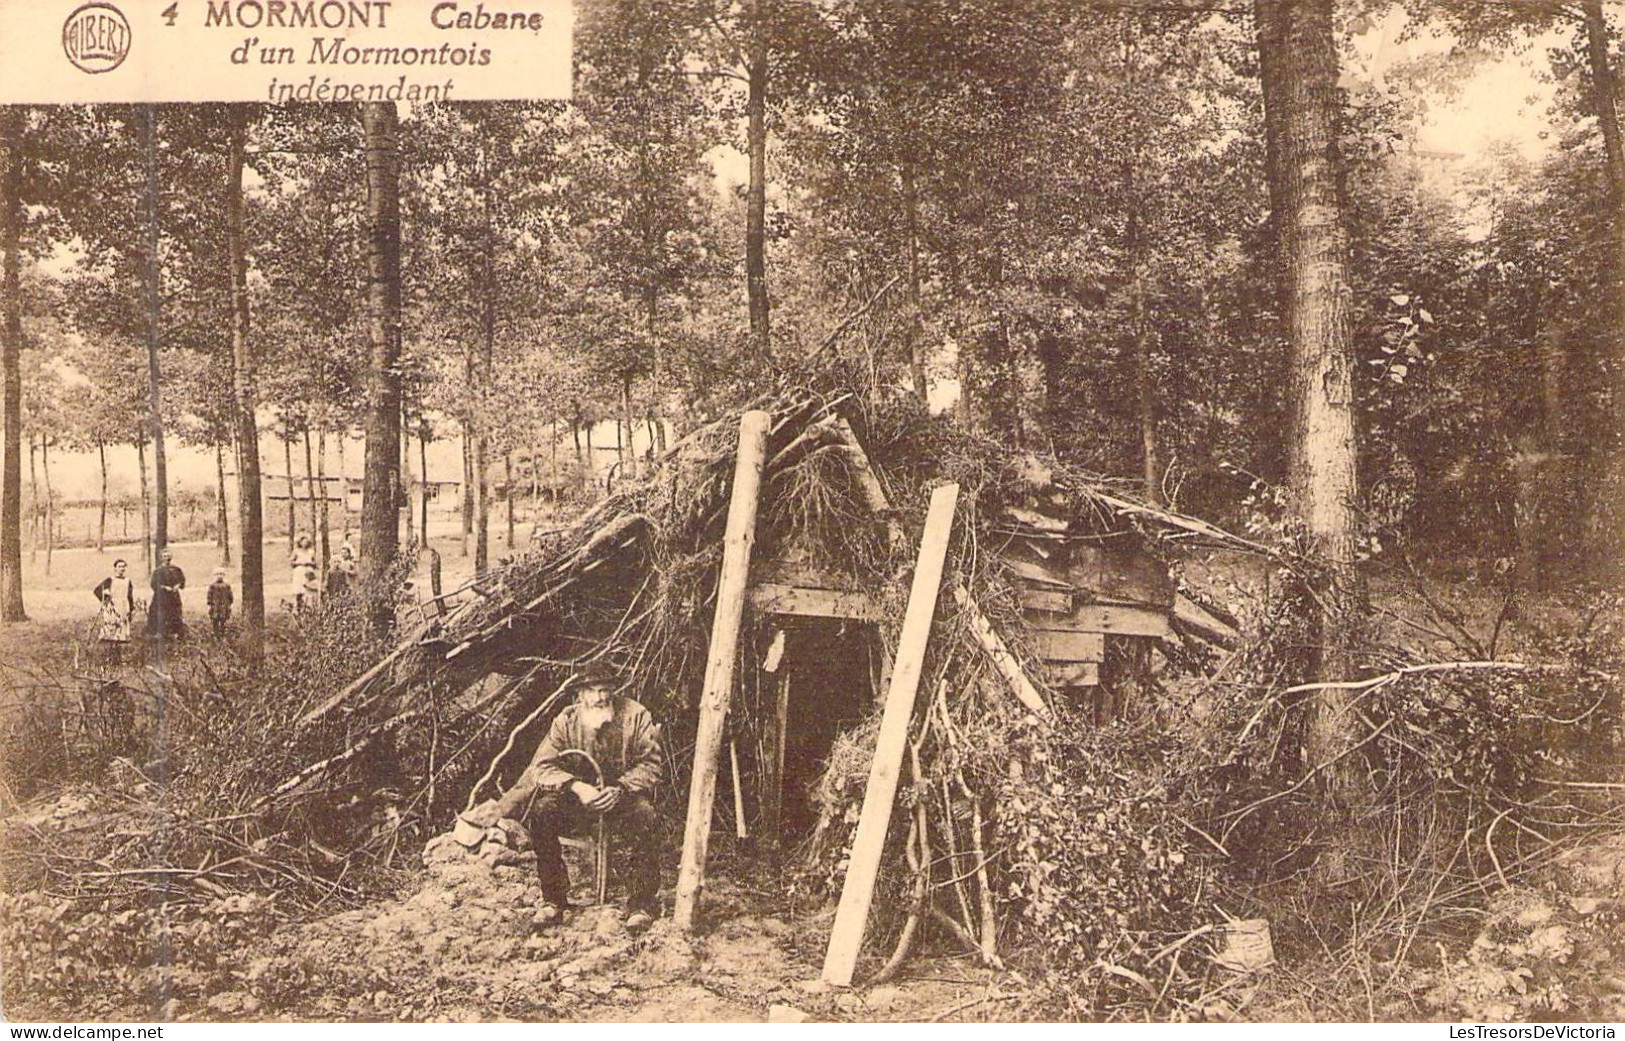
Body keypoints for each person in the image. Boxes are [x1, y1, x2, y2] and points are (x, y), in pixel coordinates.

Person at [464, 662, 664, 931]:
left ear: (614, 691)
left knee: (647, 815)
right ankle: (554, 899)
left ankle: (641, 904)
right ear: (580, 695)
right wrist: (576, 787)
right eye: (592, 691)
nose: (600, 697)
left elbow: (651, 764)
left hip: (620, 798)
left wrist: (621, 788)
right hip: (576, 799)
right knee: (543, 811)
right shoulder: (566, 721)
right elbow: (542, 767)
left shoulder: (635, 716)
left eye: (605, 690)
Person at [92, 559, 136, 665]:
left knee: (121, 633)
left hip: (123, 607)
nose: (121, 569)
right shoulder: (110, 580)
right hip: (112, 607)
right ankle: (108, 657)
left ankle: (118, 658)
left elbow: (130, 596)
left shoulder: (127, 581)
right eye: (119, 566)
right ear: (115, 568)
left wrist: (131, 609)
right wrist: (105, 599)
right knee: (111, 632)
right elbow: (97, 590)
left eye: (123, 566)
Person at [147, 549, 186, 640]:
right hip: (161, 597)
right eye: (165, 556)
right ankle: (160, 633)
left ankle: (174, 633)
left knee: (175, 613)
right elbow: (153, 584)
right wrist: (164, 587)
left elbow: (182, 580)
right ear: (161, 558)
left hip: (174, 596)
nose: (167, 558)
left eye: (168, 556)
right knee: (161, 613)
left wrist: (178, 585)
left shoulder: (176, 569)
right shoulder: (158, 571)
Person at [207, 568, 234, 639]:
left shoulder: (226, 586)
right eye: (217, 574)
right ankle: (216, 634)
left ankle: (222, 634)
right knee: (215, 620)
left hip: (224, 606)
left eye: (221, 574)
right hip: (215, 606)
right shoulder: (212, 586)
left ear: (224, 575)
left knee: (223, 620)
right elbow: (209, 596)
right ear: (214, 576)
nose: (219, 576)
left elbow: (230, 595)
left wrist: (229, 603)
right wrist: (210, 604)